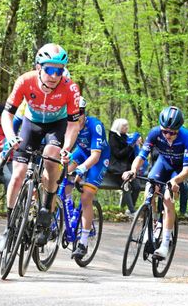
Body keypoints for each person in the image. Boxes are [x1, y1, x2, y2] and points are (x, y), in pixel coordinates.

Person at [0, 43, 80, 252]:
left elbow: (73, 124)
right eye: (49, 69)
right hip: (31, 125)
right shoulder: (25, 81)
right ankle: (9, 229)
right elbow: (7, 114)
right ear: (38, 67)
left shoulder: (70, 87)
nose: (54, 75)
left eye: (59, 71)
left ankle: (46, 209)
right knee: (18, 174)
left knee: (50, 159)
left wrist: (67, 147)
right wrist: (10, 137)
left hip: (56, 126)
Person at [123, 106, 188, 259]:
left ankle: (165, 244)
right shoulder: (155, 133)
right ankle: (154, 223)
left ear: (179, 129)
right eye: (165, 131)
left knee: (168, 199)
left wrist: (176, 181)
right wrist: (133, 170)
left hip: (179, 170)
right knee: (150, 188)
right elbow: (142, 156)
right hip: (162, 164)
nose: (167, 135)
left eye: (172, 132)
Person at [65, 97, 110, 259]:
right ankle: (69, 214)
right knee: (61, 181)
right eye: (73, 114)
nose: (77, 117)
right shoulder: (68, 124)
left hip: (97, 158)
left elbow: (95, 156)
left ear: (84, 113)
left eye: (80, 114)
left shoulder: (95, 125)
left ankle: (83, 242)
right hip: (81, 152)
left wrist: (81, 169)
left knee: (86, 197)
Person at [108, 118, 142, 217]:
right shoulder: (113, 137)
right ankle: (132, 211)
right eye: (124, 126)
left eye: (127, 125)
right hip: (117, 170)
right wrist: (131, 145)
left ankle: (125, 209)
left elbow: (130, 155)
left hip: (128, 169)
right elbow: (118, 154)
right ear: (118, 127)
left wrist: (136, 145)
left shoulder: (127, 137)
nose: (127, 127)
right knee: (126, 186)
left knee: (137, 187)